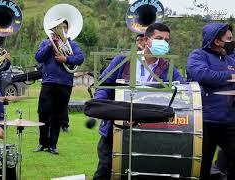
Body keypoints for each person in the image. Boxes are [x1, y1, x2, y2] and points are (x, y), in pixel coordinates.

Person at [93, 23, 184, 180]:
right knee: (105, 171)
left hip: (151, 131)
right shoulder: (123, 60)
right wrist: (101, 107)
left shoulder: (169, 68)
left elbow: (182, 92)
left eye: (166, 40)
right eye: (159, 38)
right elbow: (103, 86)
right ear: (146, 40)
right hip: (116, 128)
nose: (163, 43)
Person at [187, 23, 235, 180]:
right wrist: (230, 77)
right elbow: (202, 75)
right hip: (205, 121)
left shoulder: (230, 59)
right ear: (216, 40)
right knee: (202, 166)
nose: (232, 41)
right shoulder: (198, 55)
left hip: (230, 121)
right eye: (229, 38)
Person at [34, 20, 85, 154]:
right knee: (43, 113)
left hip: (65, 84)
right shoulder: (45, 42)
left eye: (64, 28)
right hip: (48, 82)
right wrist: (51, 45)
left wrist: (66, 59)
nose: (61, 30)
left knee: (58, 115)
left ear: (68, 30)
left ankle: (53, 145)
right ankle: (42, 143)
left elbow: (80, 58)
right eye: (59, 28)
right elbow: (38, 57)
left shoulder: (72, 44)